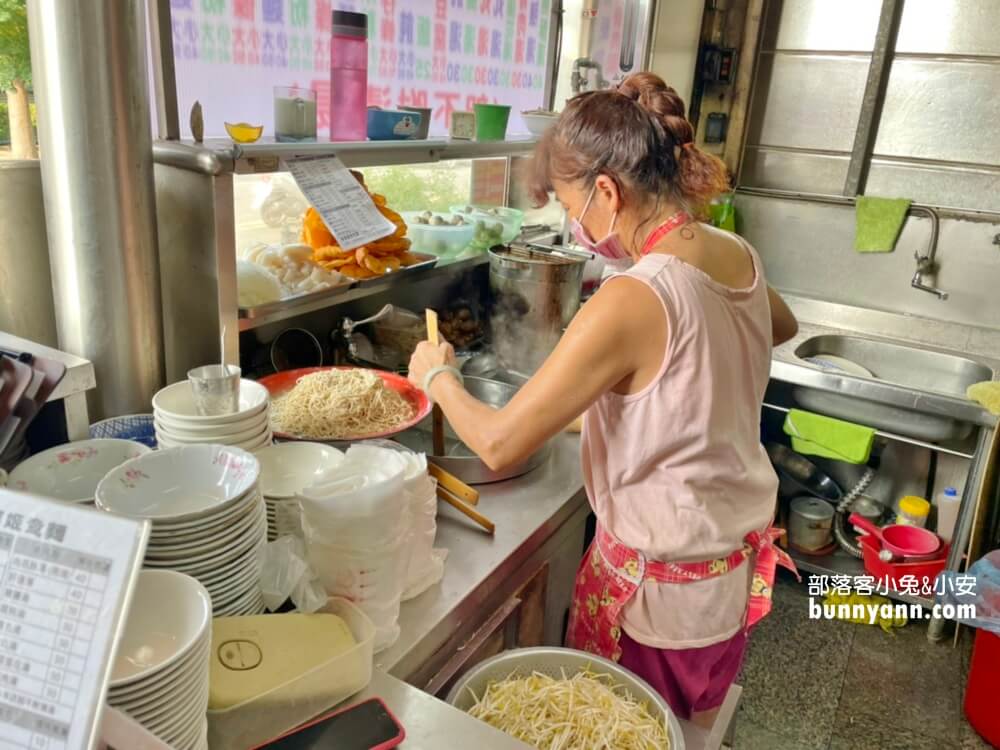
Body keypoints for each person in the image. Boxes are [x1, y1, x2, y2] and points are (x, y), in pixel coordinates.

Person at [408, 72, 799, 727]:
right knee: (678, 728)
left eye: (569, 206)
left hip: (656, 606)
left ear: (608, 193)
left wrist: (437, 377)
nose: (573, 225)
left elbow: (499, 444)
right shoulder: (736, 254)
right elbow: (769, 327)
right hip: (724, 586)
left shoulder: (634, 296)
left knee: (622, 733)